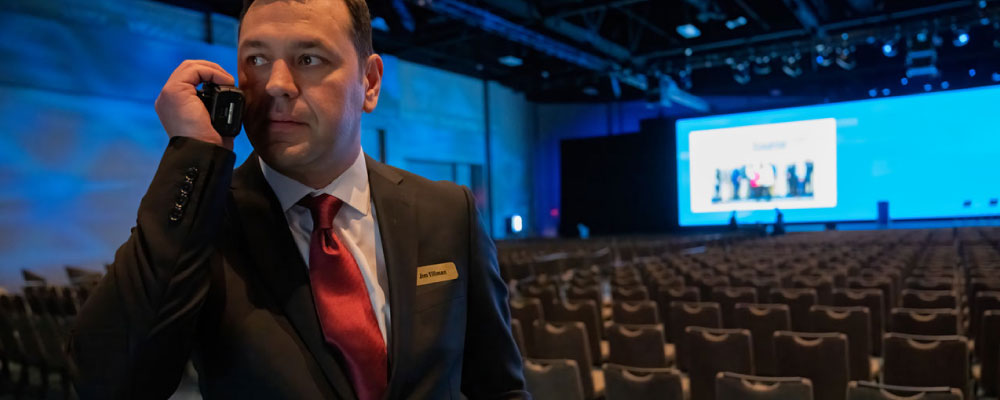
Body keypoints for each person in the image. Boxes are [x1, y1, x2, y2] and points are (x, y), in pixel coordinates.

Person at [66, 0, 528, 398]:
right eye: (257, 59)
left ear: (369, 83)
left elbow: (498, 388)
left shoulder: (447, 211)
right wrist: (192, 156)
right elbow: (107, 383)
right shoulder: (206, 222)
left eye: (308, 58)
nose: (276, 84)